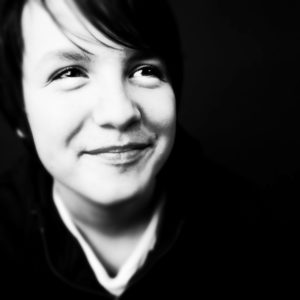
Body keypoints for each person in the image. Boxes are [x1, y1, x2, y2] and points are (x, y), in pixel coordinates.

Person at [0, 0, 264, 298]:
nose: (120, 112)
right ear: (19, 114)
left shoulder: (251, 231)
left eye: (144, 70)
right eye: (70, 73)